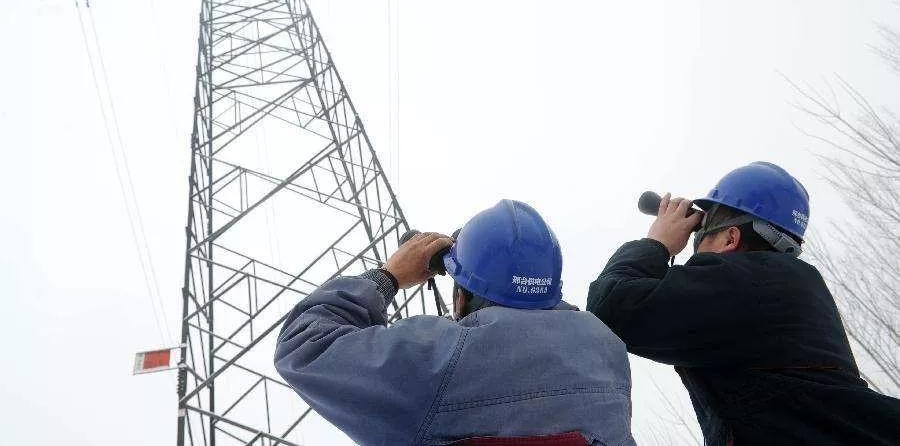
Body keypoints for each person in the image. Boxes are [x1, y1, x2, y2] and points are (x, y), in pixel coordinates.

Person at [586, 161, 900, 445]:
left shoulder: (755, 282)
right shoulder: (788, 289)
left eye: (700, 238)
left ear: (729, 239)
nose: (694, 257)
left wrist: (657, 243)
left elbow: (613, 306)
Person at [275, 200, 636, 446]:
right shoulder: (606, 349)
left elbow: (304, 345)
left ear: (461, 295)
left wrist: (389, 276)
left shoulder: (441, 359)